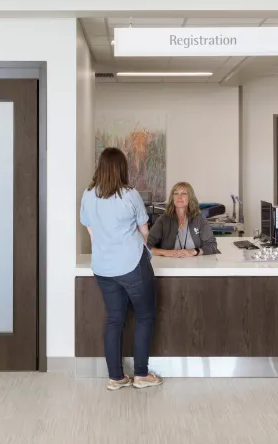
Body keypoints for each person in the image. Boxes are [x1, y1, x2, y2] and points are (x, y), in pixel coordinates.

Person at [80, 147, 163, 391]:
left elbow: (91, 232)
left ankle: (116, 377)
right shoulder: (130, 195)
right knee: (145, 316)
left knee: (114, 319)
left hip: (103, 268)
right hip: (132, 266)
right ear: (121, 168)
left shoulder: (88, 195)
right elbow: (145, 232)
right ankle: (140, 374)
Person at [148, 182, 219, 257]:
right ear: (172, 198)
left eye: (184, 193)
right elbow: (146, 246)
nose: (179, 196)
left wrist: (194, 251)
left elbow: (212, 245)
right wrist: (166, 252)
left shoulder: (199, 219)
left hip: (196, 266)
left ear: (190, 197)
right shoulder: (163, 220)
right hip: (169, 265)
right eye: (176, 193)